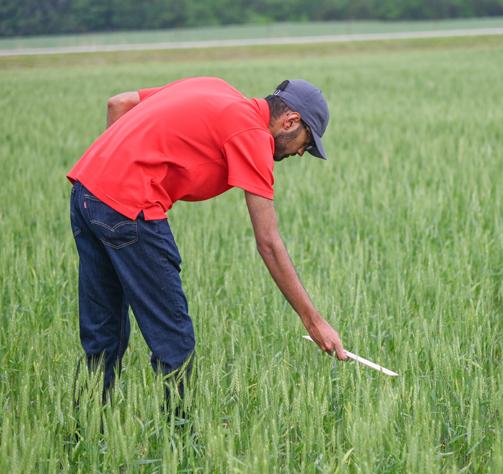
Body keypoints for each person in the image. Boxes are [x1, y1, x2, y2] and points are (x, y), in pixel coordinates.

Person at [67, 77, 348, 401]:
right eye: (307, 141)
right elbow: (268, 242)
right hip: (132, 208)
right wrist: (313, 321)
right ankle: (180, 443)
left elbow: (119, 102)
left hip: (86, 192)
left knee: (103, 336)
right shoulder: (254, 137)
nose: (302, 152)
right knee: (175, 342)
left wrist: (112, 176)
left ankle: (82, 437)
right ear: (291, 121)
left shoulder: (215, 88)